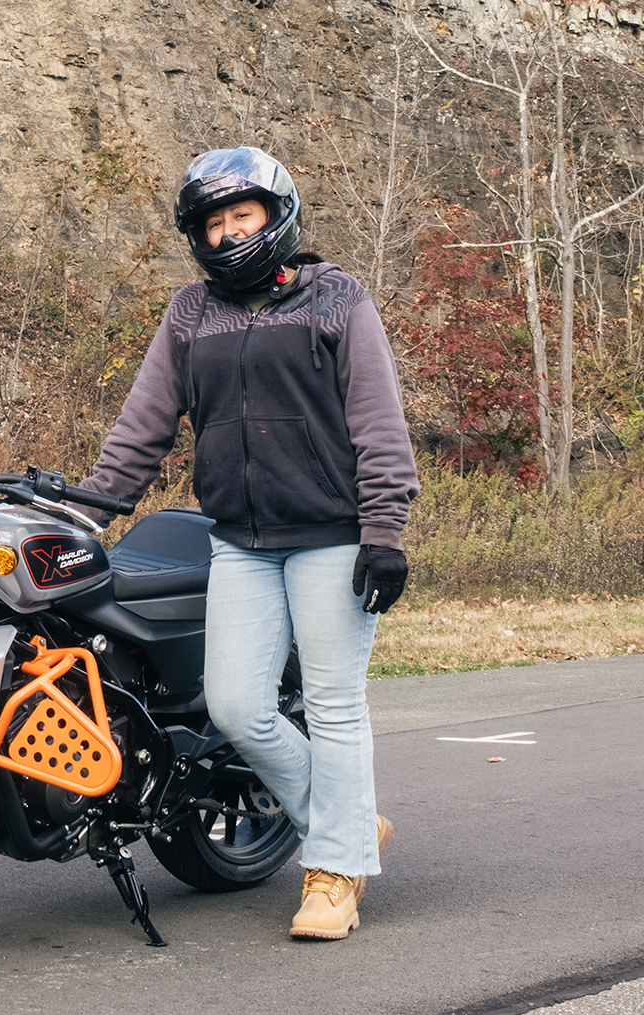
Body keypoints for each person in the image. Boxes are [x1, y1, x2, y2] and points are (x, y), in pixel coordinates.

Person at [82, 147, 418, 940]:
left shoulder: (337, 299)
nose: (230, 232)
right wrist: (89, 510)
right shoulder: (190, 314)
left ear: (276, 216)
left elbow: (378, 423)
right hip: (237, 539)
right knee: (234, 705)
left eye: (244, 215)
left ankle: (333, 874)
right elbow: (144, 426)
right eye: (214, 221)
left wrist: (385, 533)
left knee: (334, 705)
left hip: (333, 536)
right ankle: (348, 826)